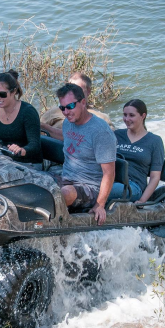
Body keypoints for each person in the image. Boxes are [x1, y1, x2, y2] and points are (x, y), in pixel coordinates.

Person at [57, 83, 117, 225]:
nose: (66, 112)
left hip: (89, 187)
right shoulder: (67, 123)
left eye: (70, 106)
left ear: (83, 102)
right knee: (34, 182)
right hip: (67, 178)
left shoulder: (100, 131)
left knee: (64, 193)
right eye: (62, 108)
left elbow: (109, 173)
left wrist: (100, 204)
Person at [109, 99, 165, 203]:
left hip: (133, 186)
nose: (127, 119)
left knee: (102, 191)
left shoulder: (155, 141)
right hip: (110, 180)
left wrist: (142, 201)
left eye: (131, 115)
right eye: (125, 115)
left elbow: (155, 177)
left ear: (143, 116)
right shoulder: (117, 135)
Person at [40, 72, 114, 136]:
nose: (71, 93)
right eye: (68, 88)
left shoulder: (101, 118)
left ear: (88, 91)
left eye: (77, 89)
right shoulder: (54, 112)